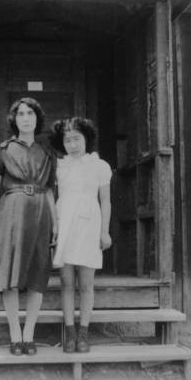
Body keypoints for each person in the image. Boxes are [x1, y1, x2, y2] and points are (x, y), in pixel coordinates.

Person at [0, 97, 58, 356]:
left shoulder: (48, 153)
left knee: (37, 274)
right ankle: (15, 334)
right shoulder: (3, 149)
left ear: (37, 119)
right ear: (14, 120)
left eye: (31, 113)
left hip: (40, 212)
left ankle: (29, 335)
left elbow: (50, 189)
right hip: (11, 213)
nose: (26, 118)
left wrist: (55, 221)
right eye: (21, 114)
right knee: (11, 274)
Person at [50, 117, 112, 353]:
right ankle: (70, 331)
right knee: (66, 282)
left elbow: (105, 201)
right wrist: (54, 227)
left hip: (89, 225)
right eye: (67, 140)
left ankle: (84, 331)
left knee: (86, 284)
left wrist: (104, 231)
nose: (72, 144)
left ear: (86, 139)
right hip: (65, 223)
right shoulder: (59, 166)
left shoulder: (99, 166)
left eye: (77, 138)